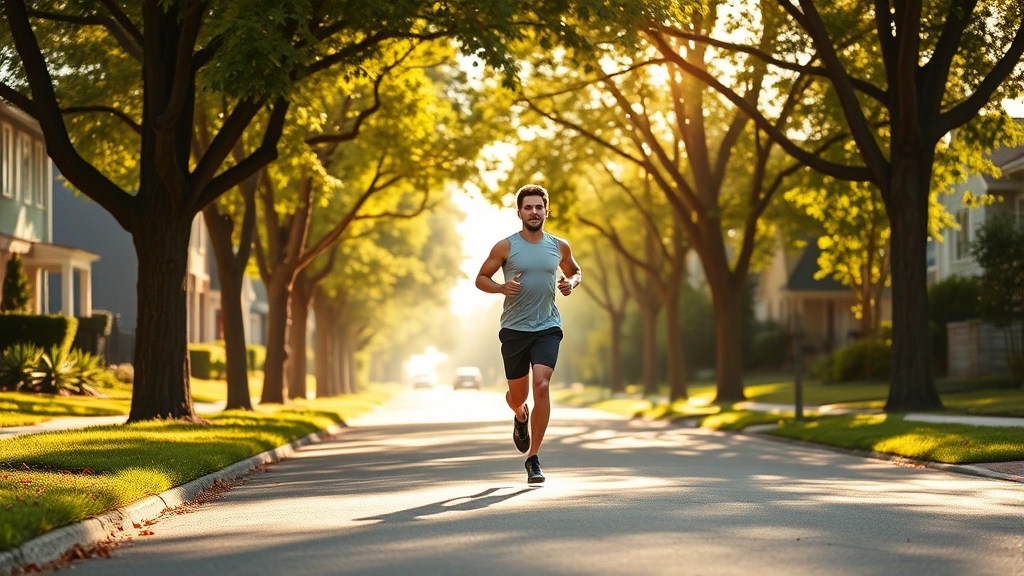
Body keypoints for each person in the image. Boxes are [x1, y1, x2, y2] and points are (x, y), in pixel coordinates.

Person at [475, 184, 582, 484]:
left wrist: (571, 283)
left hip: (547, 326)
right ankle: (520, 415)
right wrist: (500, 287)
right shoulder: (505, 247)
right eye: (528, 207)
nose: (534, 212)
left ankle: (533, 458)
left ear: (547, 211)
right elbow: (481, 278)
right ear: (519, 212)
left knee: (543, 385)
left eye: (539, 207)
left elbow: (575, 270)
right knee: (517, 396)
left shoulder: (559, 246)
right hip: (514, 329)